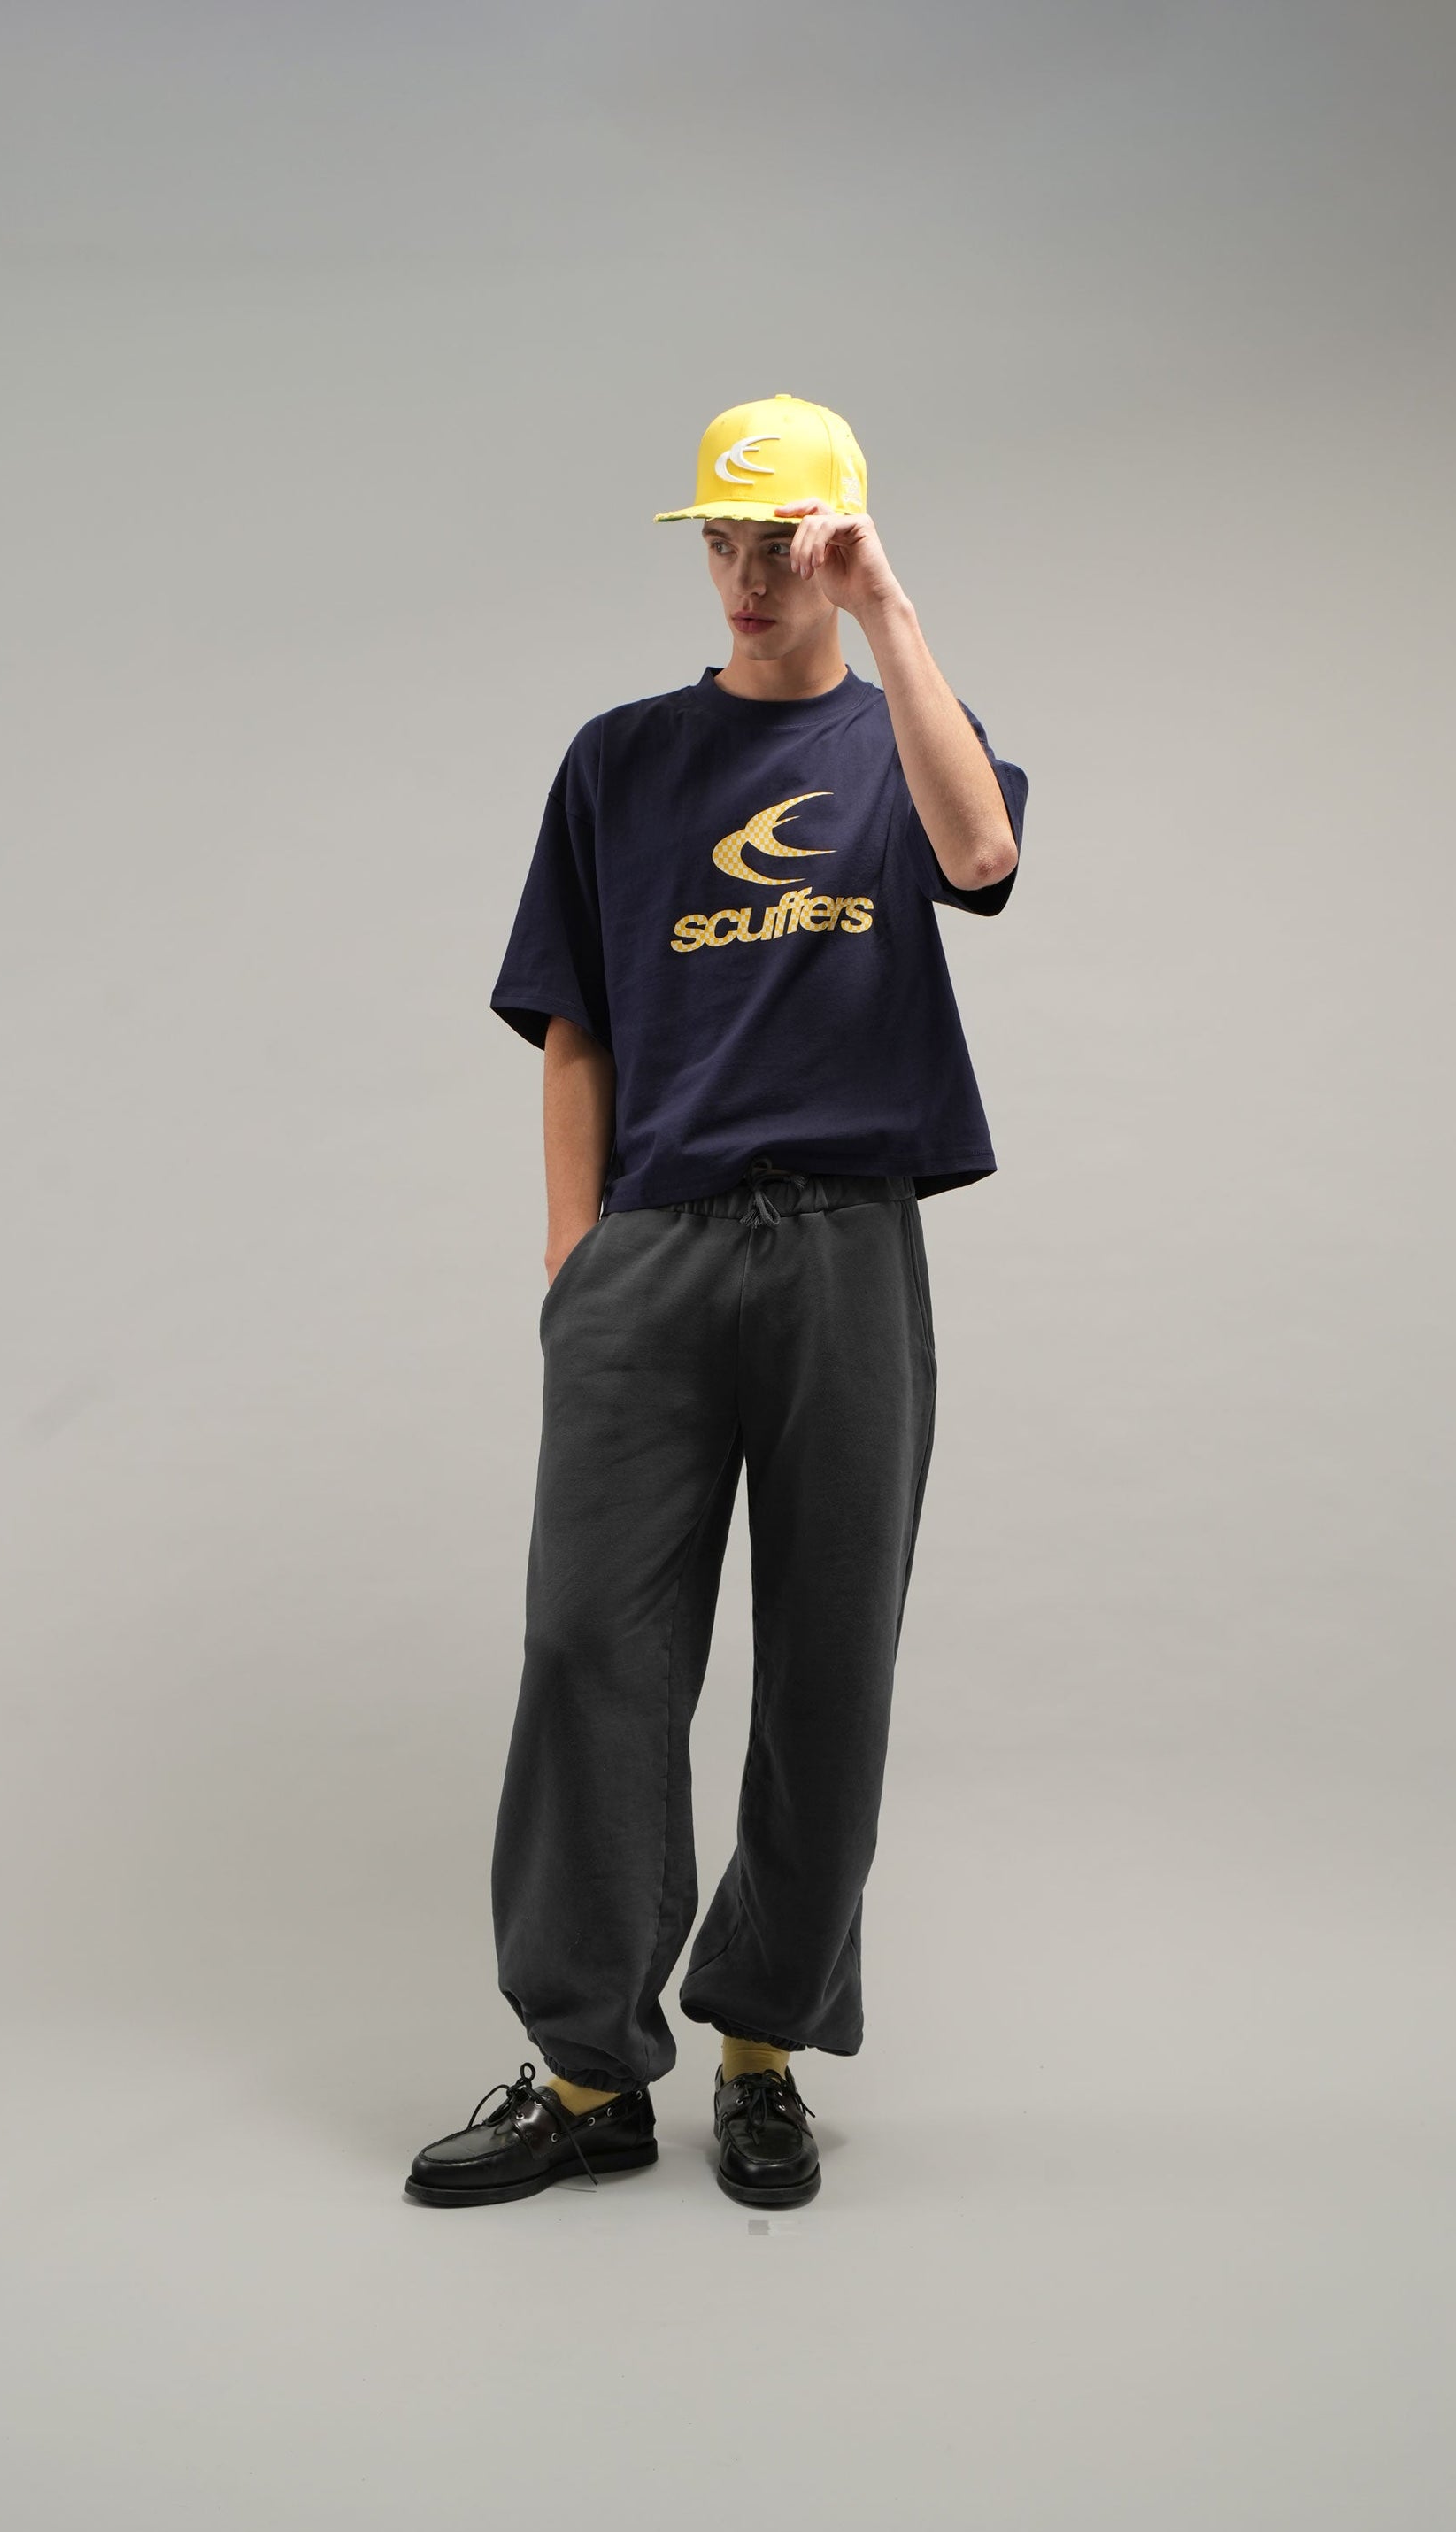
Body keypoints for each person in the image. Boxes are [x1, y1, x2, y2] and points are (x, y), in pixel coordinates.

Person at [404, 393, 1028, 2210]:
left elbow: (981, 858)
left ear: (840, 546)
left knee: (828, 1663)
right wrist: (573, 1258)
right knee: (587, 1650)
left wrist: (888, 609)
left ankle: (763, 2053)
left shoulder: (899, 737)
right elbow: (573, 1027)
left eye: (785, 546)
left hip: (845, 1248)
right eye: (726, 545)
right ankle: (587, 2070)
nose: (750, 578)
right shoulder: (619, 761)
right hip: (653, 1256)